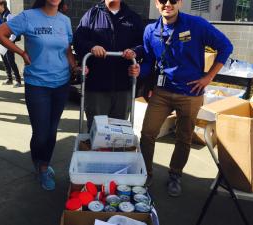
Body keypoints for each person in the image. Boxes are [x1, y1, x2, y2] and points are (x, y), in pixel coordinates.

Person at [139, 0, 233, 196]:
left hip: (190, 93)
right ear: (157, 4)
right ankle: (146, 173)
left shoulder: (196, 25)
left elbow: (226, 46)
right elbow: (149, 61)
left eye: (173, 0)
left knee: (183, 137)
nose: (168, 4)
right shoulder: (150, 30)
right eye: (163, 1)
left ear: (179, 2)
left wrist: (208, 78)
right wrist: (139, 70)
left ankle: (175, 174)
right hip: (162, 91)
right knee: (147, 133)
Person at [0, 0, 78, 191]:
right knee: (40, 133)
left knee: (52, 130)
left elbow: (67, 49)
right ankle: (38, 164)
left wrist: (75, 66)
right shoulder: (28, 17)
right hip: (37, 84)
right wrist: (21, 52)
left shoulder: (64, 20)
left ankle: (44, 165)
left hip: (61, 83)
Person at [73, 0, 143, 130]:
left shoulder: (133, 17)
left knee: (119, 132)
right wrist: (91, 47)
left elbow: (142, 44)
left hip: (124, 87)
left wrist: (134, 51)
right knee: (96, 131)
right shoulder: (91, 15)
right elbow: (78, 40)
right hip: (96, 87)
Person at [0, 0, 22, 88]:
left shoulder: (9, 16)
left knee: (11, 61)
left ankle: (18, 80)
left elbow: (14, 32)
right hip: (1, 42)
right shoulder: (0, 16)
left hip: (9, 42)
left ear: (2, 6)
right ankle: (9, 79)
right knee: (5, 61)